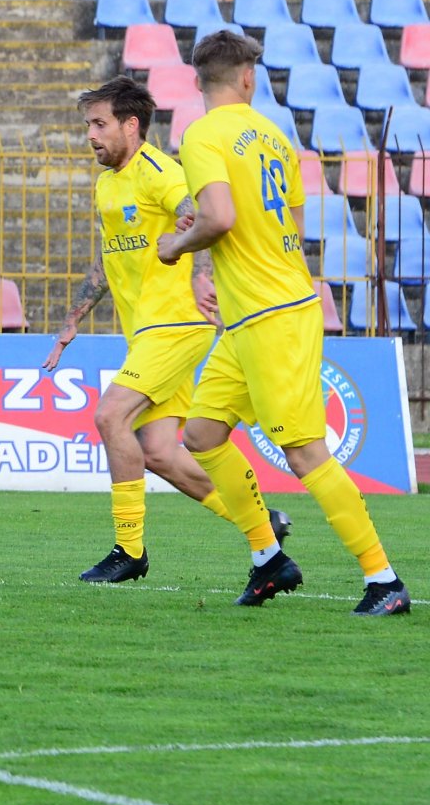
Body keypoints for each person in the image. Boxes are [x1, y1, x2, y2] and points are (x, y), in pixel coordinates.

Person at [160, 31, 409, 616]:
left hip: (271, 315)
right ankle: (270, 557)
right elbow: (292, 223)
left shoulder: (200, 135)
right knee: (201, 435)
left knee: (304, 454)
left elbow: (219, 217)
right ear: (247, 78)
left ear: (200, 80)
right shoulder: (273, 134)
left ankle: (383, 579)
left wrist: (177, 245)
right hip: (255, 313)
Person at [43, 77, 289, 581]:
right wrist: (72, 323)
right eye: (88, 124)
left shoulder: (158, 170)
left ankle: (129, 553)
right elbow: (106, 259)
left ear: (131, 126)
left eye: (99, 124)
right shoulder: (108, 182)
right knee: (157, 452)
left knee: (111, 418)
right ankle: (263, 524)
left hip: (176, 325)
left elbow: (196, 215)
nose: (90, 134)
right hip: (148, 331)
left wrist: (201, 276)